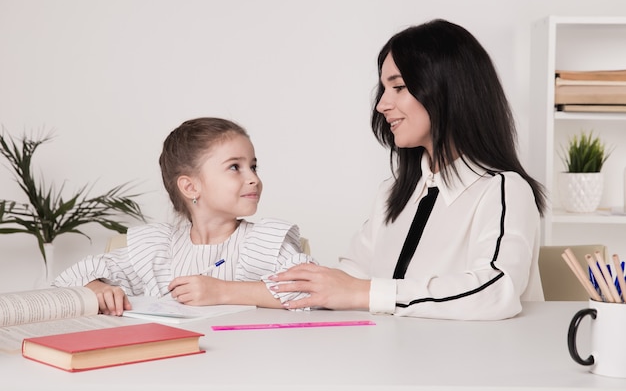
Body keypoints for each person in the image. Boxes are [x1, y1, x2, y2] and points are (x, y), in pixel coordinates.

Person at [270, 19, 547, 320]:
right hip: (391, 358)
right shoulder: (392, 193)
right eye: (384, 88)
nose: (382, 104)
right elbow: (347, 279)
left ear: (447, 90)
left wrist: (366, 293)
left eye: (399, 87)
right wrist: (223, 290)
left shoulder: (503, 189)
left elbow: (495, 290)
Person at [54, 117, 314, 315]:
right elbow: (71, 278)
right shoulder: (158, 248)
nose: (253, 179)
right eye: (235, 167)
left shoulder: (264, 242)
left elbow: (311, 290)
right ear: (190, 187)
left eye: (253, 166)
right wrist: (98, 288)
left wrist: (223, 292)